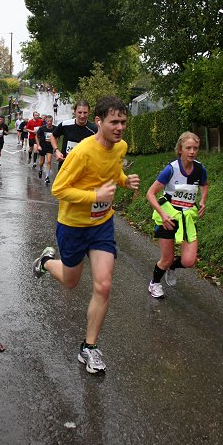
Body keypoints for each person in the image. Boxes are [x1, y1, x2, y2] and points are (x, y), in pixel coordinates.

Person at [32, 96, 140, 375]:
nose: (119, 128)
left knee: (103, 285)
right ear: (99, 122)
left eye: (123, 122)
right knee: (71, 281)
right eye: (114, 122)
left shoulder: (121, 147)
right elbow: (58, 189)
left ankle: (89, 347)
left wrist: (124, 181)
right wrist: (94, 195)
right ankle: (45, 262)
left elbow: (113, 170)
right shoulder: (82, 152)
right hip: (72, 225)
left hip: (102, 223)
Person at [146, 132, 209, 298]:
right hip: (169, 217)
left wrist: (202, 200)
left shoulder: (200, 169)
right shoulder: (171, 169)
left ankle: (173, 267)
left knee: (189, 261)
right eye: (188, 148)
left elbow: (205, 184)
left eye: (195, 148)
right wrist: (162, 214)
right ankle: (155, 283)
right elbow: (150, 194)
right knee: (166, 259)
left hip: (187, 217)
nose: (192, 151)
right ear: (180, 149)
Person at [50, 99, 97, 170]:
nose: (82, 115)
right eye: (79, 112)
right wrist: (56, 151)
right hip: (65, 167)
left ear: (89, 113)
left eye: (85, 113)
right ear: (74, 112)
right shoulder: (65, 125)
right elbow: (53, 136)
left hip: (84, 170)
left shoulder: (94, 129)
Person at [36, 115, 56, 184]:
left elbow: (58, 136)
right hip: (42, 146)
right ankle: (40, 169)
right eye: (48, 121)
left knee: (49, 161)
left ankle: (47, 177)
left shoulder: (55, 128)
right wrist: (38, 145)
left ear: (52, 121)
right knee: (41, 162)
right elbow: (37, 136)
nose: (49, 122)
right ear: (46, 121)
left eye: (50, 121)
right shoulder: (42, 128)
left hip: (50, 147)